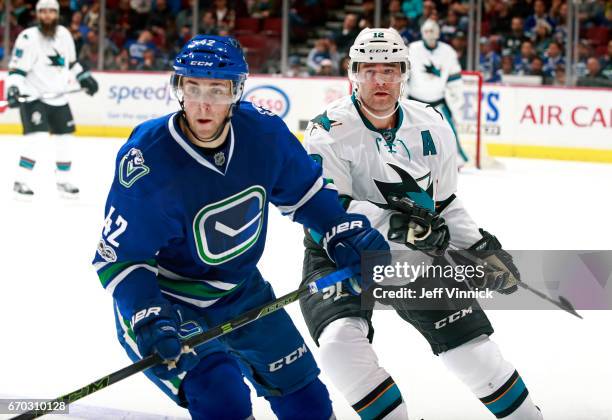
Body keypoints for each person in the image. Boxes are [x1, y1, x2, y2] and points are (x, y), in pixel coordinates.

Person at [91, 34, 389, 419]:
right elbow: (121, 258)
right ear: (178, 88)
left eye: (217, 90)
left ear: (236, 91)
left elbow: (305, 195)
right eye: (193, 88)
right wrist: (148, 313)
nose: (203, 103)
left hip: (243, 292)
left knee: (308, 404)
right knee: (222, 397)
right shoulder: (148, 158)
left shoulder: (262, 134)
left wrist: (340, 231)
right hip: (171, 301)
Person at [300, 27, 544, 420]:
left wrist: (480, 248)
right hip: (341, 253)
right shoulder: (327, 130)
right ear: (352, 73)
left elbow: (445, 201)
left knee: (475, 353)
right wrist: (398, 225)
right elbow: (329, 209)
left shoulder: (431, 123)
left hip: (415, 255)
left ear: (404, 73)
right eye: (369, 69)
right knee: (338, 345)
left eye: (391, 69)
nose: (380, 79)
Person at [6, 0, 98, 198]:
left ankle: (63, 181)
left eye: (51, 11)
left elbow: (71, 62)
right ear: (38, 15)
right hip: (33, 97)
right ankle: (21, 180)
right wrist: (13, 88)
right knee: (36, 139)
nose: (47, 15)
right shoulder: (28, 38)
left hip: (59, 97)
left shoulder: (64, 35)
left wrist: (84, 77)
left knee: (65, 139)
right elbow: (17, 70)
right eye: (43, 12)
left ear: (56, 14)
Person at [407, 20, 469, 167]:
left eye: (432, 31)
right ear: (422, 32)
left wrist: (457, 102)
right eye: (427, 31)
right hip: (414, 102)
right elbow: (404, 75)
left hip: (438, 102)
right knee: (406, 132)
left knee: (448, 132)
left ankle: (456, 160)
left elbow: (454, 80)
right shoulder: (412, 49)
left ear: (438, 33)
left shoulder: (448, 52)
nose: (430, 34)